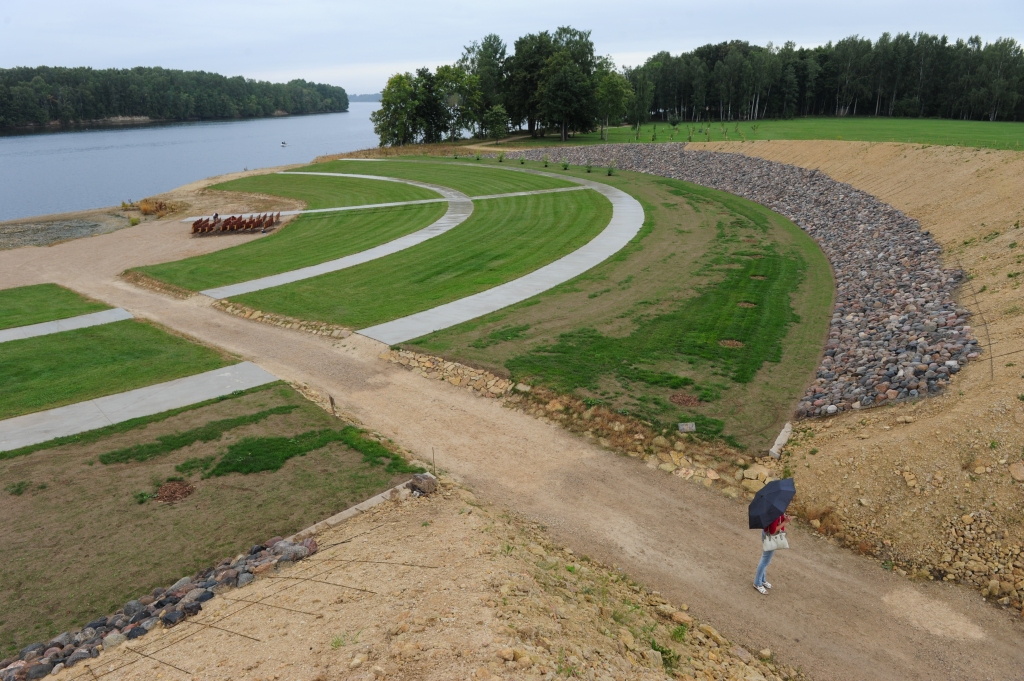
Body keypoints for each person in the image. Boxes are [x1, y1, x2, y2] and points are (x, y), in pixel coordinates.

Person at [754, 512, 788, 595]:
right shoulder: (774, 514)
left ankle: (762, 580)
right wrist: (785, 522)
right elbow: (772, 531)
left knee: (766, 560)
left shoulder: (777, 510)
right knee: (765, 561)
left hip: (769, 536)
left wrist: (784, 518)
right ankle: (757, 583)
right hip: (770, 537)